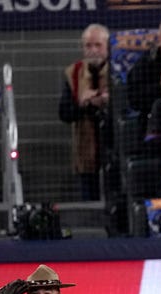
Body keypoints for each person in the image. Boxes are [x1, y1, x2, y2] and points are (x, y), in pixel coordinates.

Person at [59, 24, 111, 201]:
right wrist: (82, 104)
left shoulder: (120, 69)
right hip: (85, 151)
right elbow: (64, 114)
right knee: (89, 199)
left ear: (107, 46)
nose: (93, 50)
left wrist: (109, 101)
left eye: (98, 45)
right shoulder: (73, 73)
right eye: (88, 45)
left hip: (114, 148)